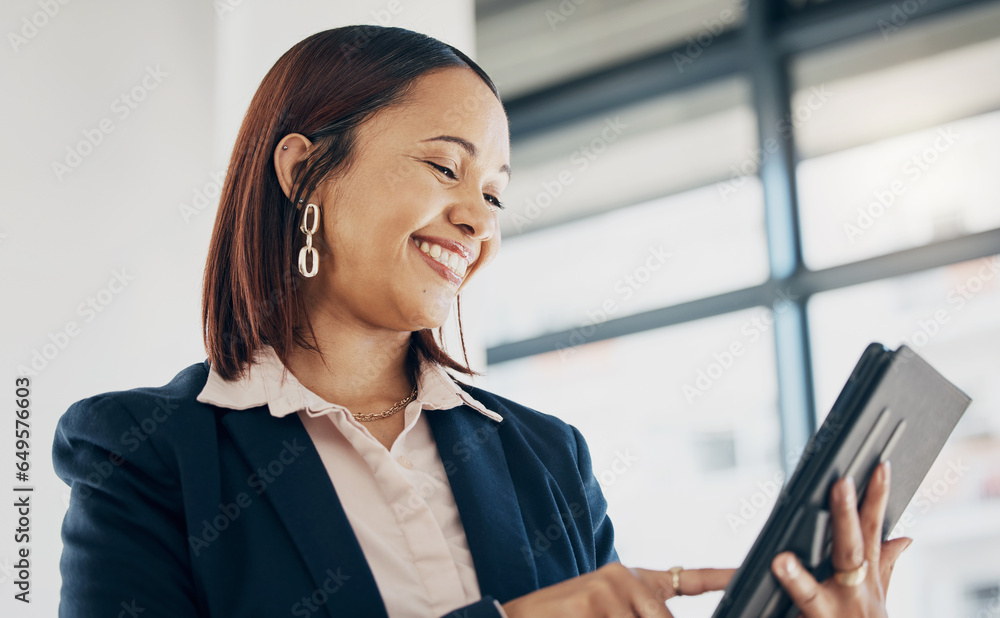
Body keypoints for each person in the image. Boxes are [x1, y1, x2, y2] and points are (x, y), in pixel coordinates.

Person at [52, 26, 911, 618]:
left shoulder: (545, 458)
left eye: (495, 193)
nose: (478, 219)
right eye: (444, 168)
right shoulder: (146, 455)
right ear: (302, 170)